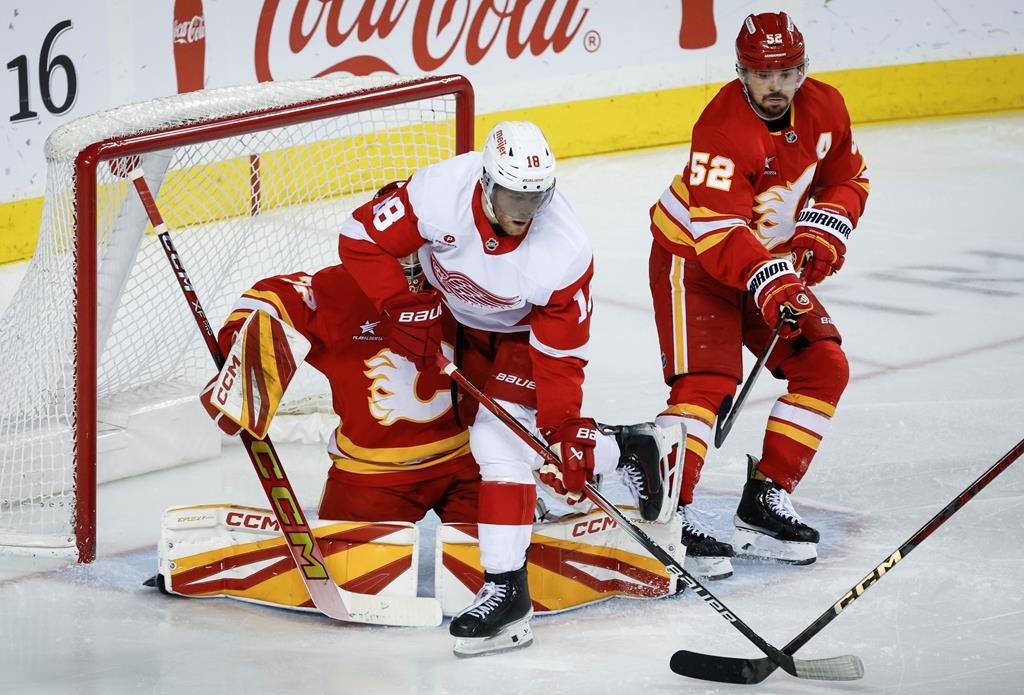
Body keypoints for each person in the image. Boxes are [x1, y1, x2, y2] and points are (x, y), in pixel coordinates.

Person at [338, 122, 683, 656]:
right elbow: (360, 238)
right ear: (484, 184)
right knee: (506, 445)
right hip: (455, 319)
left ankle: (506, 594)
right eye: (512, 195)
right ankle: (631, 448)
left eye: (535, 196)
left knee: (501, 447)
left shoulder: (562, 249)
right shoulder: (439, 194)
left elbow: (561, 355)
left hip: (523, 337)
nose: (524, 210)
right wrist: (394, 302)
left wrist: (564, 426)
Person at [647, 11, 869, 578]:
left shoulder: (827, 107)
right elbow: (718, 236)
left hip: (765, 265)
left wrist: (824, 228)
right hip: (694, 263)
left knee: (824, 365)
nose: (775, 86)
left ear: (803, 70)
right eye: (762, 73)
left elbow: (848, 178)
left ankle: (765, 496)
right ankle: (673, 513)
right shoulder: (722, 129)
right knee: (706, 384)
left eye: (787, 72)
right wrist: (774, 279)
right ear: (741, 71)